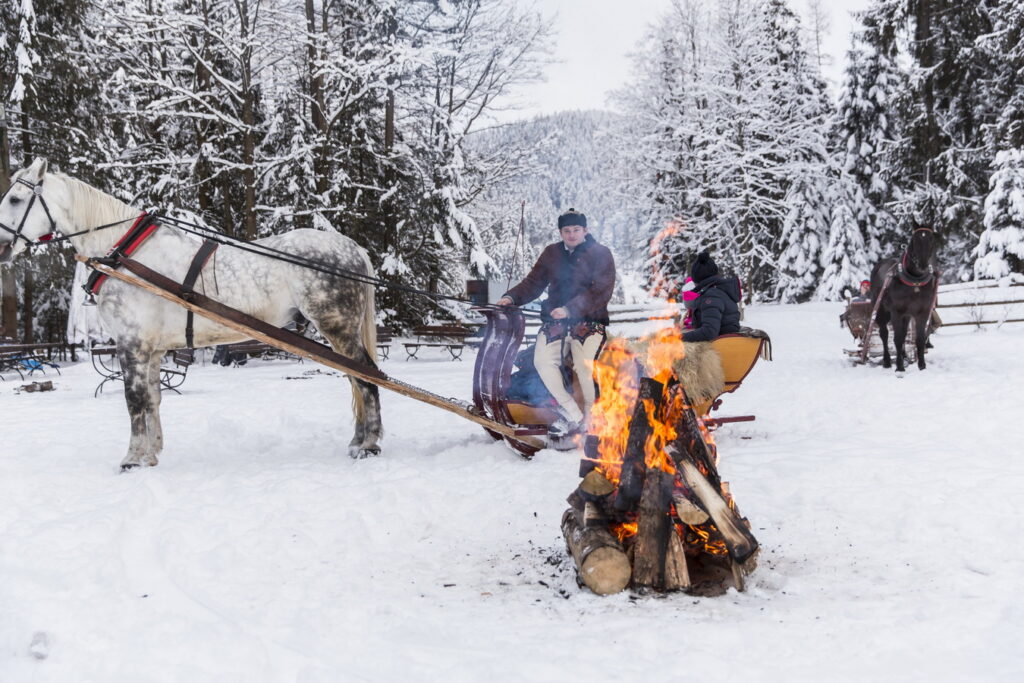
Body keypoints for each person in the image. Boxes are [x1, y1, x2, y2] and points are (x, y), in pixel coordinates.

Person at [497, 209, 616, 437]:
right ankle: (572, 415)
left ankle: (592, 419)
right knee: (542, 362)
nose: (571, 235)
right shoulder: (551, 253)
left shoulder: (601, 253)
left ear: (585, 230)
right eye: (566, 231)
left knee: (584, 365)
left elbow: (602, 290)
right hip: (556, 324)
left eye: (576, 230)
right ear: (561, 232)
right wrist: (511, 297)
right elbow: (533, 282)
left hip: (589, 323)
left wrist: (570, 309)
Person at [680, 250, 741, 343]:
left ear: (697, 278)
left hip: (722, 345)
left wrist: (680, 337)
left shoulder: (711, 296)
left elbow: (709, 332)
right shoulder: (717, 290)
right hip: (724, 339)